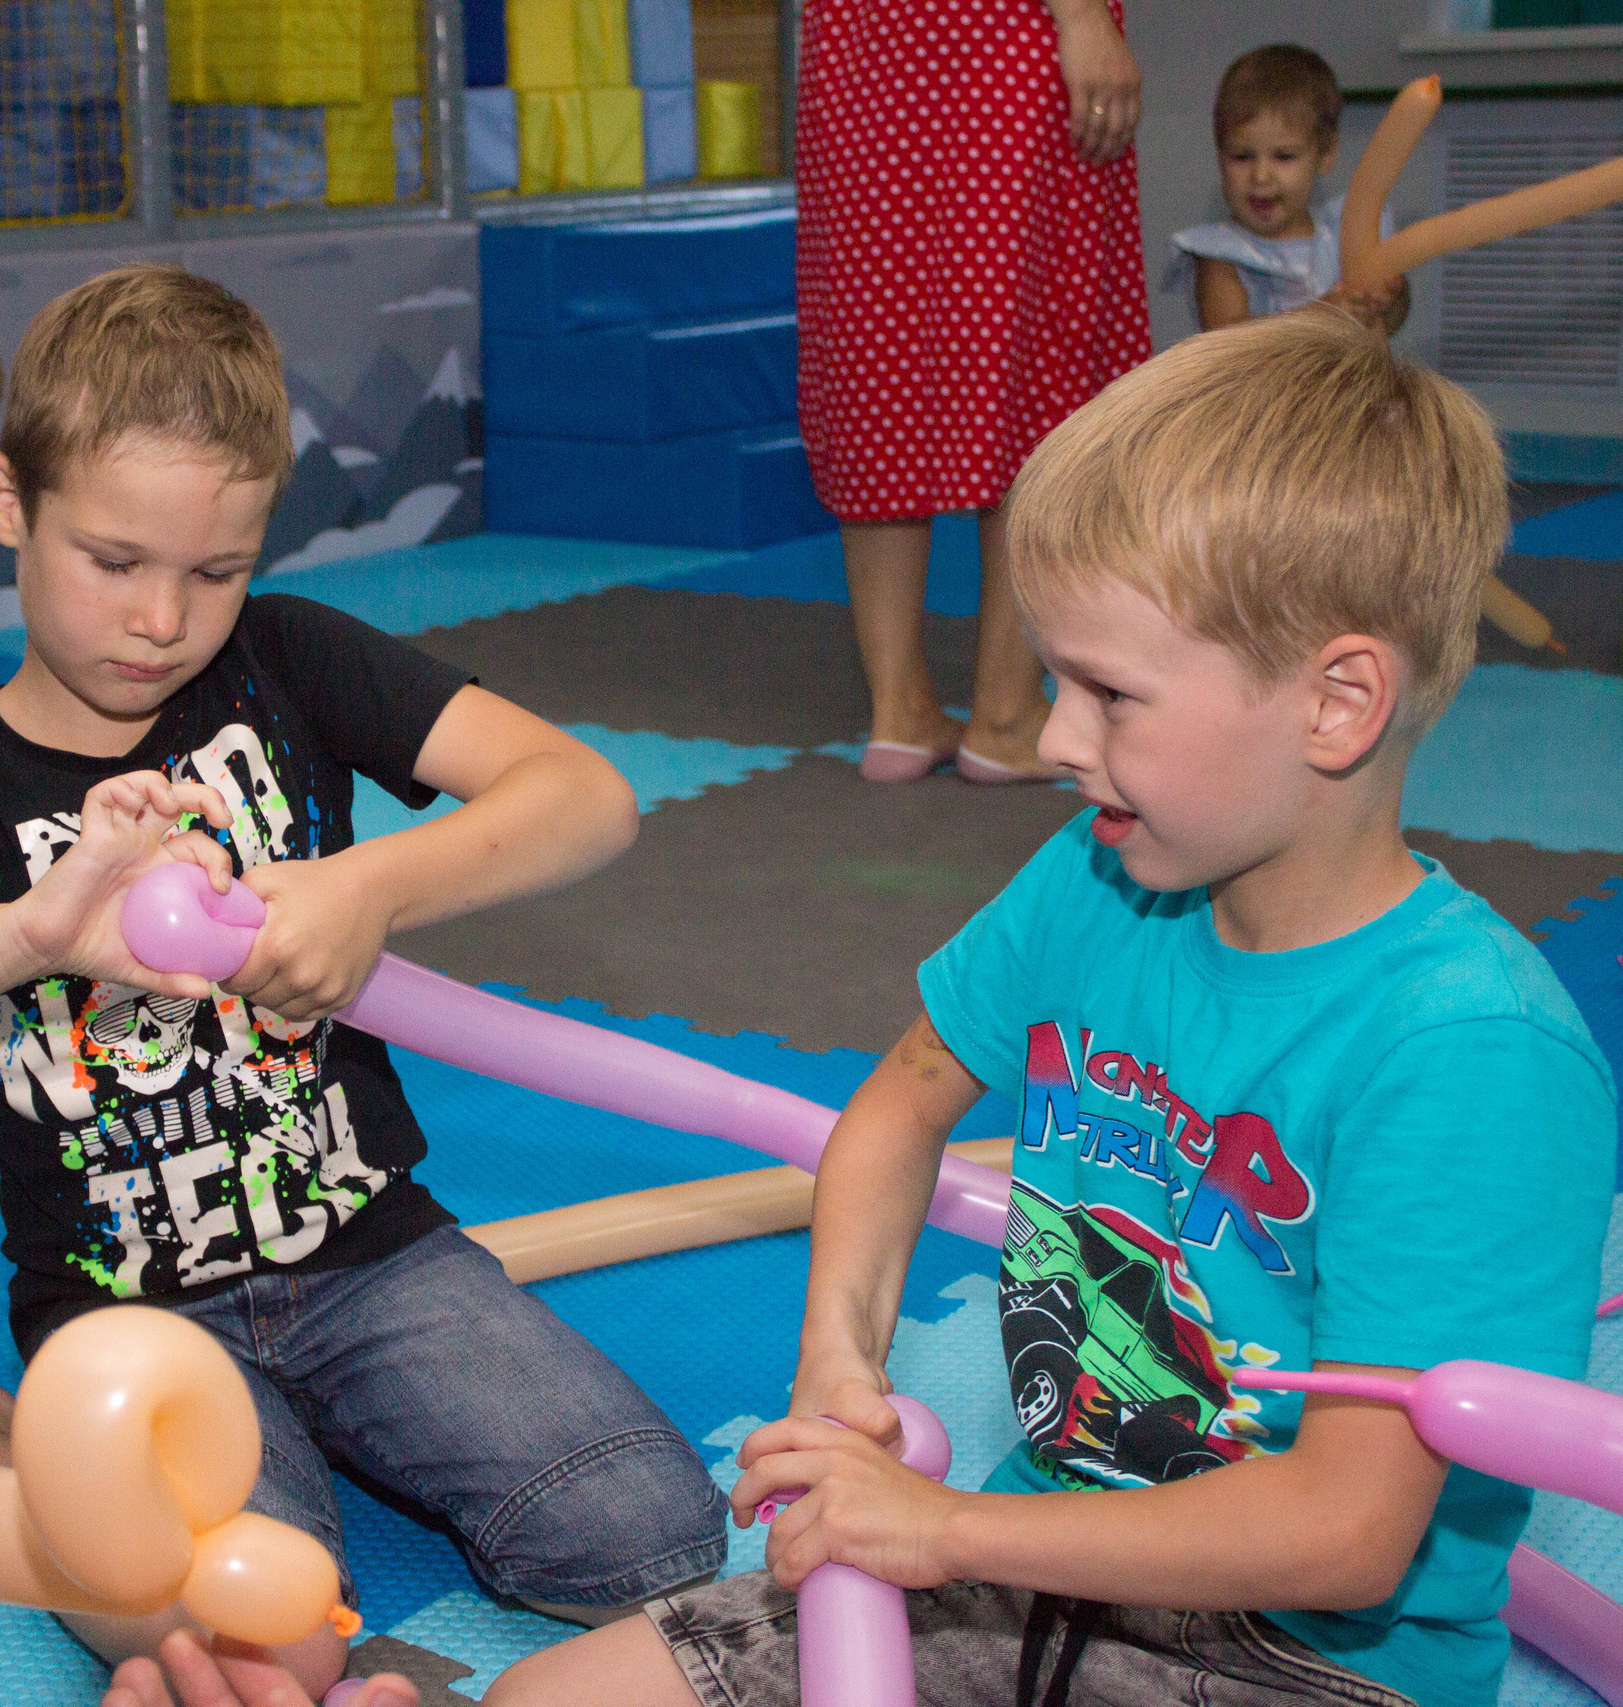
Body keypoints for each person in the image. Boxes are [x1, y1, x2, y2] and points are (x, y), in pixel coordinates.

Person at [487, 310, 1615, 1707]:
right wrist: (840, 1362)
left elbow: (1351, 1529)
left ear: (1336, 704)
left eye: (1111, 691)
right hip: (1031, 1560)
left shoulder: (1470, 1052)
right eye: (1054, 673)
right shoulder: (1099, 872)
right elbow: (904, 1099)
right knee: (537, 1697)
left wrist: (944, 1524)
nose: (1061, 737)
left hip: (1303, 1659)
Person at [0, 264, 730, 1697]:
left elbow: (588, 796)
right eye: (114, 559)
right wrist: (29, 935)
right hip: (130, 1315)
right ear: (6, 502)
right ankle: (7, 1431)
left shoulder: (287, 661)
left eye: (214, 569)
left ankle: (199, 1452)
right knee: (264, 1626)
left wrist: (370, 886)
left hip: (374, 1255)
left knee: (658, 1533)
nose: (165, 618)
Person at [798, 0, 1149, 786]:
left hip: (864, 40)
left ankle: (900, 710)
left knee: (875, 346)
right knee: (1036, 358)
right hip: (999, 31)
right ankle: (1006, 710)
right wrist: (1083, 14)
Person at [1174, 45, 1409, 335]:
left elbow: (1387, 325)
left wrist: (1390, 299)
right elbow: (1228, 336)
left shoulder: (1345, 232)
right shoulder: (1221, 254)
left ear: (1325, 154)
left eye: (1284, 156)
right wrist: (1320, 314)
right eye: (1241, 156)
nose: (1260, 176)